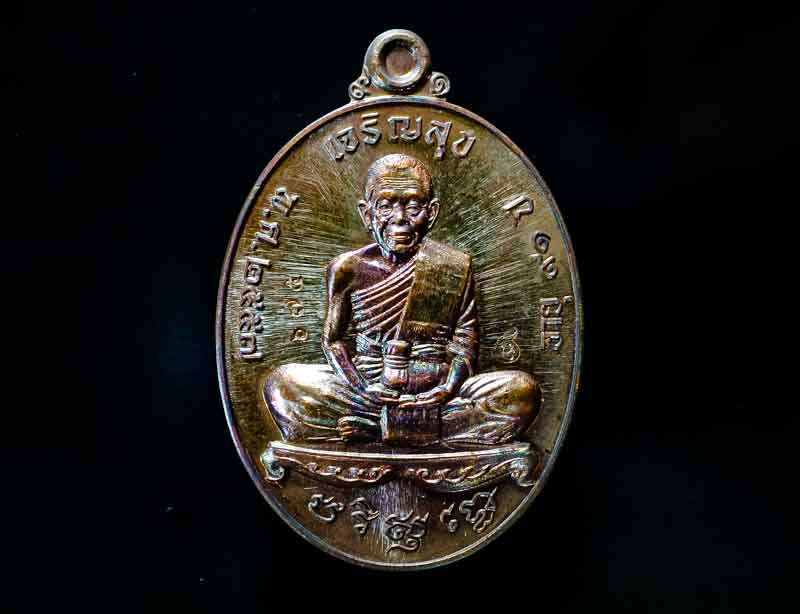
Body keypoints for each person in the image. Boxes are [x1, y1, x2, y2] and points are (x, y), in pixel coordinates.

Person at [263, 154, 540, 446]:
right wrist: (362, 387)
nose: (399, 218)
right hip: (369, 389)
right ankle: (428, 429)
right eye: (385, 206)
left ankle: (377, 430)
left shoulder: (454, 265)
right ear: (367, 213)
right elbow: (333, 341)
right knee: (283, 385)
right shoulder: (347, 268)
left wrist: (447, 389)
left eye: (413, 206)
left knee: (521, 391)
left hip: (434, 389)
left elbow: (464, 344)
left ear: (432, 212)